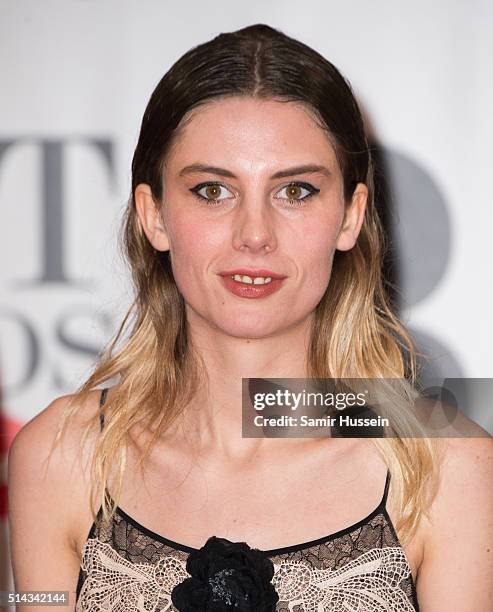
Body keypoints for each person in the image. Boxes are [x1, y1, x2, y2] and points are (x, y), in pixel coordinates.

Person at [8, 23, 493, 611]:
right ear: (154, 213)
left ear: (350, 215)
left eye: (296, 192)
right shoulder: (61, 455)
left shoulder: (446, 466)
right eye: (213, 190)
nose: (255, 235)